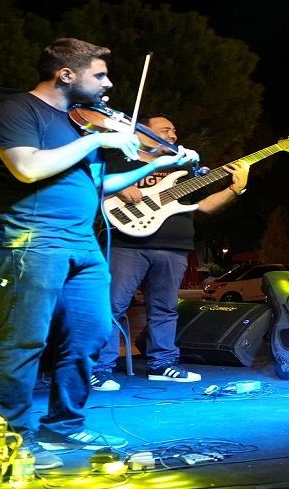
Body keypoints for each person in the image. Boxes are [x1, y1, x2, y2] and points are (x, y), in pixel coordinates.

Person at [0, 38, 200, 470]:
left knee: (91, 332)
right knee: (24, 340)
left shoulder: (81, 125)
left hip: (81, 243)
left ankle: (63, 425)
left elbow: (98, 187)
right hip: (28, 240)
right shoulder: (15, 110)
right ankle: (12, 437)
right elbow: (28, 167)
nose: (108, 84)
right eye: (99, 75)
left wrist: (154, 166)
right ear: (65, 74)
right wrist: (100, 140)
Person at [91, 113, 249, 391]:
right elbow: (90, 185)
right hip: (127, 245)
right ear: (142, 132)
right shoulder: (116, 159)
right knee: (112, 306)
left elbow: (205, 207)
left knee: (165, 309)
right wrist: (115, 188)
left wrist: (236, 189)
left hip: (174, 247)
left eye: (175, 131)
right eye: (165, 130)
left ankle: (162, 364)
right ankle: (99, 369)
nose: (173, 135)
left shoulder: (183, 167)